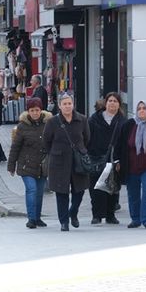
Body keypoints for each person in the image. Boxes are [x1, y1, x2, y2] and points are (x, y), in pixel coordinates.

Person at [43, 93, 90, 231]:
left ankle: (73, 212)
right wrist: (55, 152)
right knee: (61, 192)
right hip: (59, 161)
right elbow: (46, 141)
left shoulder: (82, 119)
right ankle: (64, 221)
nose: (67, 106)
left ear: (73, 104)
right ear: (59, 106)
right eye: (65, 104)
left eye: (69, 103)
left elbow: (87, 138)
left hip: (78, 161)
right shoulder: (53, 122)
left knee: (79, 190)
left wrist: (80, 150)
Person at [7, 98, 52, 229]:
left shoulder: (48, 124)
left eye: (37, 110)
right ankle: (31, 218)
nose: (35, 113)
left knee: (39, 192)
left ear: (41, 110)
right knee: (31, 190)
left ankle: (37, 218)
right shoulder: (22, 126)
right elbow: (15, 147)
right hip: (26, 164)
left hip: (42, 165)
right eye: (32, 110)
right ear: (28, 111)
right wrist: (11, 165)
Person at [87, 92, 125, 225]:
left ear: (119, 104)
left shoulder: (122, 121)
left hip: (114, 159)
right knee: (96, 188)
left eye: (115, 101)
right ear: (105, 103)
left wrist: (121, 159)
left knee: (112, 188)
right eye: (110, 101)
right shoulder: (94, 119)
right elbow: (87, 138)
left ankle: (110, 215)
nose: (112, 103)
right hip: (96, 158)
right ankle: (96, 215)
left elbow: (124, 142)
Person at [116, 100, 146, 229]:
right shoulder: (130, 125)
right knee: (133, 193)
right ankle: (135, 219)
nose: (141, 110)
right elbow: (120, 145)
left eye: (144, 108)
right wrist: (118, 161)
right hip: (131, 166)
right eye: (139, 108)